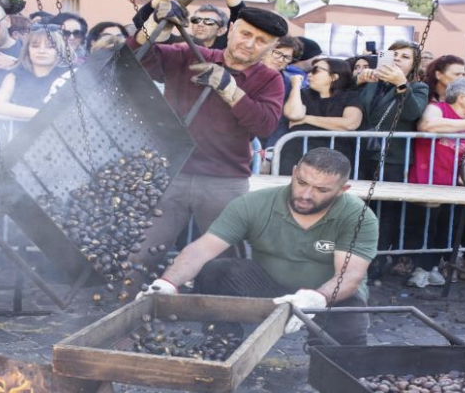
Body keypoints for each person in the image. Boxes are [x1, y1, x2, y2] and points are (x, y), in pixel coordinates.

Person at [140, 148, 377, 345]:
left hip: (329, 293)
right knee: (216, 271)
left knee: (349, 326)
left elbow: (350, 275)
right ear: (293, 173)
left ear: (342, 190)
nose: (306, 194)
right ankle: (223, 342)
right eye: (301, 182)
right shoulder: (254, 204)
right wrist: (167, 283)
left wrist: (318, 297)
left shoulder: (357, 216)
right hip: (270, 283)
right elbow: (201, 249)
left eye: (321, 190)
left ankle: (335, 355)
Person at [125, 0, 287, 270]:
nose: (249, 44)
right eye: (245, 33)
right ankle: (129, 305)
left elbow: (264, 125)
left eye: (261, 41)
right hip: (171, 172)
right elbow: (135, 59)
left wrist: (229, 89)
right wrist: (154, 23)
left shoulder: (270, 79)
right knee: (141, 251)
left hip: (224, 180)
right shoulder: (190, 54)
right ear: (232, 29)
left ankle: (221, 308)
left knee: (225, 259)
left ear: (272, 47)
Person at [407, 78, 465, 286]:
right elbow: (427, 125)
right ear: (463, 98)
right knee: (424, 227)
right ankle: (420, 268)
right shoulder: (438, 108)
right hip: (429, 180)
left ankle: (432, 267)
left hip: (459, 186)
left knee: (448, 229)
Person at [352, 40, 429, 277]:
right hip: (361, 152)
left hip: (392, 156)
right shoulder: (372, 83)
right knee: (357, 206)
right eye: (394, 54)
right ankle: (353, 255)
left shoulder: (417, 87)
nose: (397, 59)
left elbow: (412, 113)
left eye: (405, 57)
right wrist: (358, 81)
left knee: (385, 211)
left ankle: (377, 260)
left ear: (414, 65)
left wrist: (401, 85)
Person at [278, 58, 362, 174]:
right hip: (296, 155)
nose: (309, 74)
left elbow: (350, 123)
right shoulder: (303, 94)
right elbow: (293, 114)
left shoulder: (349, 96)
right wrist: (296, 85)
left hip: (335, 159)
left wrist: (306, 119)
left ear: (334, 77)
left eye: (316, 70)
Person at [0, 25, 69, 120]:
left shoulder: (68, 75)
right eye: (35, 46)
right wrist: (41, 114)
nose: (41, 51)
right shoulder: (14, 76)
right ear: (28, 49)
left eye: (50, 46)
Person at [262, 36, 304, 158]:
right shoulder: (242, 72)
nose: (280, 60)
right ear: (266, 49)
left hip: (265, 147)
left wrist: (269, 154)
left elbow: (281, 122)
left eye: (287, 57)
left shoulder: (286, 83)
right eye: (277, 53)